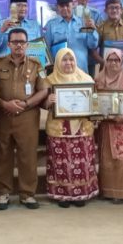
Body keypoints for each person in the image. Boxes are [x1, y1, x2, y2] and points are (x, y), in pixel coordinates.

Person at [0, 28, 48, 210]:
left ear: (27, 44)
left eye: (22, 42)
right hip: (3, 116)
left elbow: (44, 90)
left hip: (27, 117)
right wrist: (4, 104)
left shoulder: (37, 65)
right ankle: (2, 193)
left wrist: (26, 104)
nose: (18, 45)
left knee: (28, 155)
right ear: (8, 44)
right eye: (15, 42)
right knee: (2, 154)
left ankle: (27, 194)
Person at [44, 48, 99, 207]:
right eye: (64, 60)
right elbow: (43, 105)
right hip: (59, 129)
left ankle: (82, 193)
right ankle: (62, 195)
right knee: (60, 163)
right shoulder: (50, 80)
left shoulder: (86, 79)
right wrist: (49, 100)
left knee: (81, 162)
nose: (68, 63)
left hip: (82, 128)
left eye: (71, 60)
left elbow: (94, 103)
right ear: (58, 62)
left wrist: (93, 108)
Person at [94, 48, 123, 204]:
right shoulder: (98, 79)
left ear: (121, 62)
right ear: (105, 62)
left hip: (122, 128)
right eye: (110, 60)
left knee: (122, 159)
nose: (113, 63)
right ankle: (107, 191)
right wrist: (96, 115)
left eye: (116, 60)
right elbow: (93, 99)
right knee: (106, 158)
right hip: (106, 126)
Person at [44, 0, 99, 75]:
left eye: (67, 5)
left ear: (73, 5)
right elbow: (45, 50)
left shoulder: (83, 22)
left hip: (81, 72)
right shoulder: (51, 25)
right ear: (57, 7)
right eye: (62, 6)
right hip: (59, 74)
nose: (65, 8)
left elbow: (92, 45)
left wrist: (92, 30)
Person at [92, 0, 123, 72]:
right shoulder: (101, 28)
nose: (114, 10)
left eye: (117, 8)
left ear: (121, 10)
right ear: (105, 10)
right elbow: (93, 50)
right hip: (107, 71)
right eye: (111, 8)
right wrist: (103, 62)